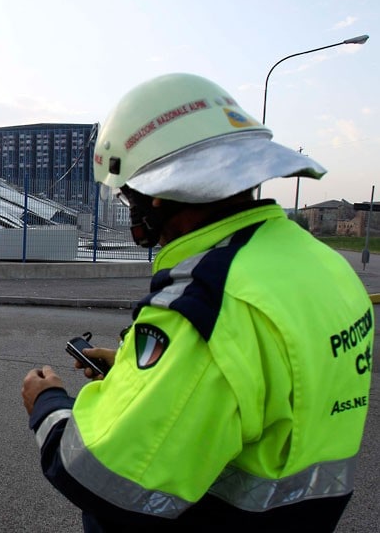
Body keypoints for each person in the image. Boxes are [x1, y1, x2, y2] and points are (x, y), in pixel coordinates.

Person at [21, 73, 373, 532]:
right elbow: (254, 382)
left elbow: (104, 475)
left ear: (160, 196)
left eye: (131, 198)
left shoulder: (209, 302)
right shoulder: (322, 264)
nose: (133, 214)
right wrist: (129, 365)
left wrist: (47, 404)